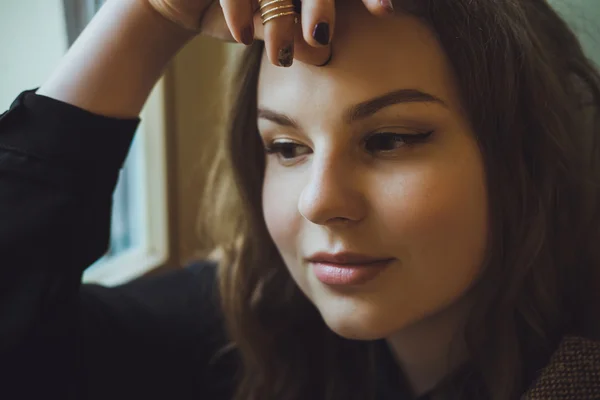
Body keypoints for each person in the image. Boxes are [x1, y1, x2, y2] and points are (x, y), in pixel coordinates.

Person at [0, 0, 598, 400]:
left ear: (523, 153)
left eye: (389, 139)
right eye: (286, 147)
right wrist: (148, 18)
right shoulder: (245, 318)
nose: (319, 202)